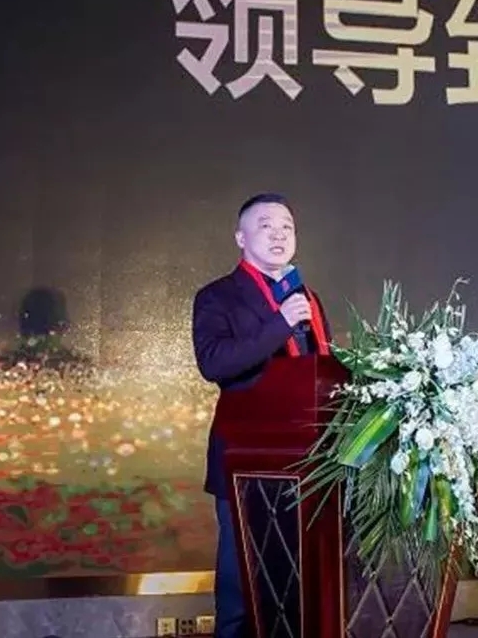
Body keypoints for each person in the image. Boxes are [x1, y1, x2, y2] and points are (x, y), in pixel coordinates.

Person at [191, 193, 332, 638]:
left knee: (296, 583)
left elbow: (319, 370)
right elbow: (215, 363)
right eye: (266, 226)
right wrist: (280, 324)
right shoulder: (218, 296)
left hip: (307, 461)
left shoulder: (308, 299)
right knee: (242, 581)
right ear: (241, 237)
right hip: (244, 458)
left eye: (287, 227)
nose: (278, 235)